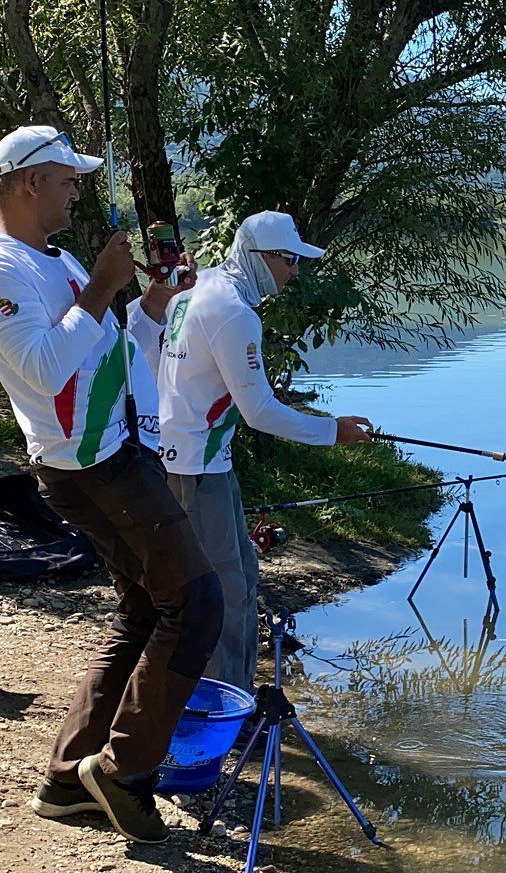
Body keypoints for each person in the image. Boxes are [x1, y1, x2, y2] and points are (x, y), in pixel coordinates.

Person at [0, 124, 220, 845]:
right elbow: (46, 369)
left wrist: (151, 304)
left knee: (144, 608)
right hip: (90, 465)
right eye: (69, 179)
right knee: (196, 603)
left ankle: (67, 781)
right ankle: (125, 769)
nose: (78, 190)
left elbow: (105, 340)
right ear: (28, 183)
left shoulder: (52, 259)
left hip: (112, 452)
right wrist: (104, 285)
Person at [158, 211, 372, 692]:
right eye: (290, 259)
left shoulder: (200, 288)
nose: (295, 271)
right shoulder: (234, 312)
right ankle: (223, 708)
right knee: (224, 594)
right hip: (196, 469)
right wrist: (330, 431)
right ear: (261, 258)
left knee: (244, 575)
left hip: (204, 461)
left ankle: (236, 691)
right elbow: (258, 411)